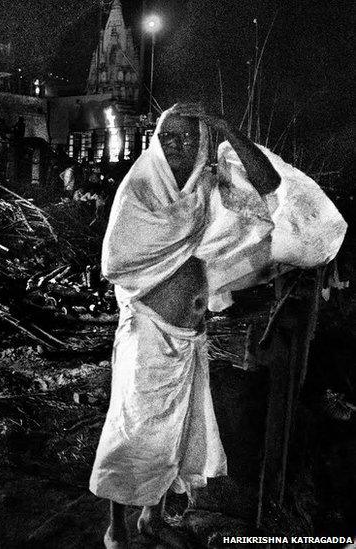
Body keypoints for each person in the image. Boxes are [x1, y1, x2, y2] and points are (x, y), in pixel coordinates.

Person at [90, 103, 347, 548]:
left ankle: (152, 520)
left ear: (204, 142)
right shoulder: (140, 190)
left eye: (188, 137)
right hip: (148, 332)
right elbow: (117, 260)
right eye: (167, 137)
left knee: (179, 434)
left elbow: (270, 187)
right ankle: (117, 528)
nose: (176, 146)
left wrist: (228, 129)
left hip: (191, 337)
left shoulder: (208, 186)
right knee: (133, 430)